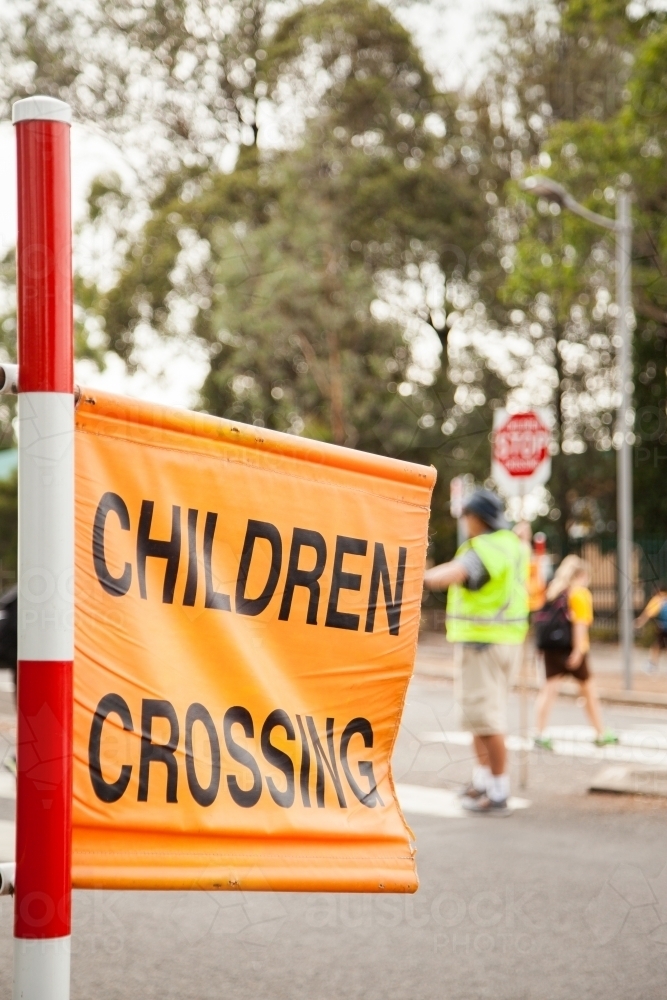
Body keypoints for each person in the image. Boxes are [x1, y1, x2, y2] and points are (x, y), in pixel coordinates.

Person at [424, 488, 528, 816]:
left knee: (487, 719)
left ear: (476, 517)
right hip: (503, 640)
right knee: (477, 718)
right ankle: (483, 781)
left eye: (466, 516)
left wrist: (416, 576)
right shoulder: (511, 544)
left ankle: (497, 790)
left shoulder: (485, 548)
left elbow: (456, 573)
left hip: (484, 643)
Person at [533, 555, 617, 749]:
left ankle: (539, 732)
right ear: (582, 574)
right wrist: (578, 652)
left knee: (548, 690)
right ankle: (600, 732)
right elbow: (580, 625)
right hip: (573, 648)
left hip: (552, 649)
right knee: (589, 692)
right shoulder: (580, 593)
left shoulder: (553, 592)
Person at [634, 581, 667, 674]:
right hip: (663, 627)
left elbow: (648, 613)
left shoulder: (657, 600)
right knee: (658, 645)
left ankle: (652, 665)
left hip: (663, 627)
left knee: (656, 645)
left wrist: (639, 622)